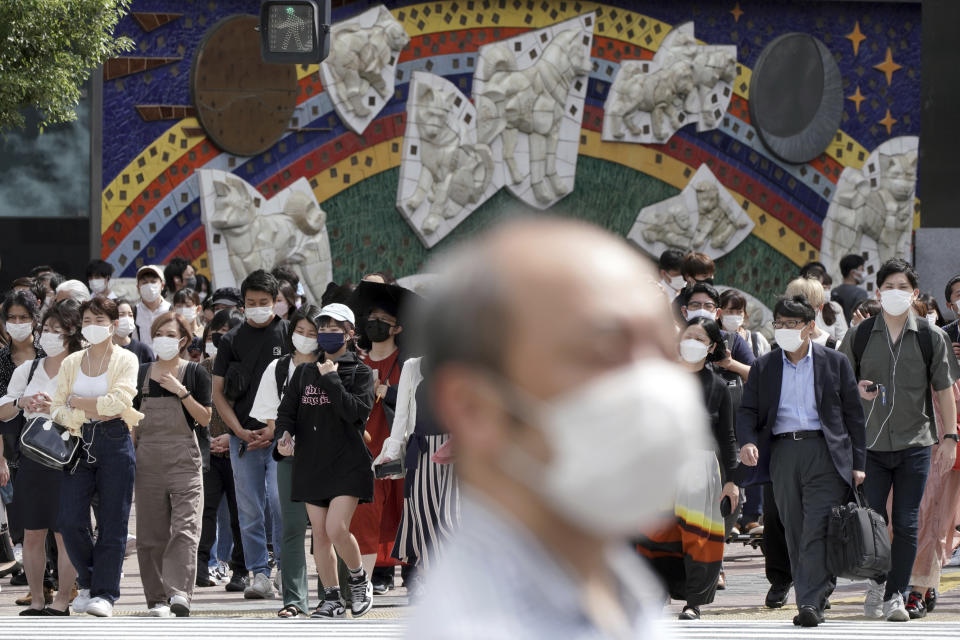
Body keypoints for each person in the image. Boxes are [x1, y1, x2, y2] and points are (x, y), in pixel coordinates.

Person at [405, 218, 711, 639]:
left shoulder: (620, 593)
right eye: (605, 350)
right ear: (474, 407)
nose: (649, 383)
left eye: (661, 349)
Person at [839, 258, 958, 622]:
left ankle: (895, 595)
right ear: (878, 292)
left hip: (916, 444)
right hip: (871, 446)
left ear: (915, 293)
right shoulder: (859, 335)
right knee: (875, 522)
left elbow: (943, 392)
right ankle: (876, 585)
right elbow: (840, 386)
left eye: (903, 287)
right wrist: (858, 389)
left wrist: (951, 437)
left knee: (907, 522)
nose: (895, 293)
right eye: (889, 286)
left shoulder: (930, 336)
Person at [738, 294, 866, 627]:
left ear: (810, 327)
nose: (782, 330)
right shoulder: (765, 366)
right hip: (782, 453)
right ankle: (817, 591)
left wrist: (859, 462)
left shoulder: (834, 362)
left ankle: (808, 601)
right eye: (778, 324)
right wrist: (748, 442)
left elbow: (853, 414)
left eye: (790, 324)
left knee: (816, 526)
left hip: (824, 452)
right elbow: (748, 411)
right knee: (793, 528)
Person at [275, 303, 376, 619]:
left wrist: (332, 381)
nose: (328, 333)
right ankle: (331, 598)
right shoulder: (304, 371)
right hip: (311, 462)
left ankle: (359, 580)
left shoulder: (360, 373)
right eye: (324, 327)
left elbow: (356, 413)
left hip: (348, 463)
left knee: (336, 527)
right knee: (319, 532)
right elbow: (287, 411)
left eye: (336, 327)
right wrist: (284, 434)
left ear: (350, 333)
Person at [637, 317, 738, 621]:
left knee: (698, 536)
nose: (691, 342)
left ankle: (694, 601)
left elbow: (727, 437)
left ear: (711, 348)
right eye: (688, 335)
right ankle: (654, 594)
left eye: (700, 339)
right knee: (655, 534)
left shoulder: (718, 386)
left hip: (701, 466)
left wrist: (732, 481)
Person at [51, 296, 143, 617]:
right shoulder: (71, 362)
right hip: (78, 442)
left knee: (112, 521)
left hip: (115, 439)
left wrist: (79, 401)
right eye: (87, 321)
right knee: (69, 519)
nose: (93, 327)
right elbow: (57, 408)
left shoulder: (127, 359)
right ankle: (89, 581)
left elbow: (118, 403)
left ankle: (105, 593)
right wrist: (85, 409)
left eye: (100, 321)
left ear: (114, 325)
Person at [0, 301, 82, 616]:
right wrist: (23, 401)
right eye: (45, 329)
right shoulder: (28, 369)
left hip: (68, 460)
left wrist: (56, 408)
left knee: (64, 533)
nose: (48, 335)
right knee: (33, 533)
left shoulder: (81, 367)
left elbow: (91, 413)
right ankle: (36, 599)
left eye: (56, 330)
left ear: (71, 333)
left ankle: (62, 600)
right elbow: (4, 410)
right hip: (33, 458)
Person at [211, 270, 287, 600]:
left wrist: (274, 428)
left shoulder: (287, 334)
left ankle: (286, 566)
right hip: (243, 438)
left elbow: (295, 386)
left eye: (264, 303)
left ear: (276, 303)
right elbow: (217, 393)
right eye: (251, 303)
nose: (258, 308)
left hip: (280, 437)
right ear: (243, 305)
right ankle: (258, 574)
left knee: (279, 501)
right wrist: (237, 430)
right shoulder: (231, 340)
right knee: (250, 509)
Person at [132, 311, 212, 617]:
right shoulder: (140, 373)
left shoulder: (195, 372)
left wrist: (182, 392)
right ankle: (156, 599)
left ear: (183, 340)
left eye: (169, 334)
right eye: (158, 333)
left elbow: (204, 418)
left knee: (186, 527)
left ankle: (179, 593)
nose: (163, 339)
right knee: (151, 534)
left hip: (184, 459)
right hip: (147, 458)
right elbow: (132, 420)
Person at [248, 303, 324, 618]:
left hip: (328, 460)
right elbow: (267, 415)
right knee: (291, 526)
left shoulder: (330, 366)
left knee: (329, 528)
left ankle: (337, 595)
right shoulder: (278, 368)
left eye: (312, 333)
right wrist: (281, 434)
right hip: (290, 457)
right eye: (300, 331)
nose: (304, 338)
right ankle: (294, 600)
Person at [374, 354, 460, 596]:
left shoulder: (468, 358)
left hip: (460, 452)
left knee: (452, 520)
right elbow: (401, 415)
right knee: (424, 519)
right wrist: (391, 453)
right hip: (421, 451)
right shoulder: (413, 366)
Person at [347, 281, 412, 592]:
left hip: (404, 450)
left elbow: (422, 401)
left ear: (397, 328)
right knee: (370, 516)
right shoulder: (355, 365)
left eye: (383, 321)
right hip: (367, 452)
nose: (375, 325)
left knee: (407, 511)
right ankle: (380, 575)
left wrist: (390, 393)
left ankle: (413, 573)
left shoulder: (411, 365)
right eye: (370, 319)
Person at [195, 309, 247, 592]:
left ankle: (241, 569)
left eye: (230, 331)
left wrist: (232, 435)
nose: (223, 338)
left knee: (242, 515)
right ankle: (201, 566)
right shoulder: (201, 368)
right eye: (218, 332)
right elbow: (192, 412)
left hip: (241, 449)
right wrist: (207, 439)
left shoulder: (249, 368)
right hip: (209, 453)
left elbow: (256, 412)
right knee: (206, 511)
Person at [680, 283, 753, 383]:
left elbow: (758, 376)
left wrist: (731, 364)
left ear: (718, 313)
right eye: (695, 305)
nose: (702, 311)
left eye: (708, 306)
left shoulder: (733, 340)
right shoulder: (671, 339)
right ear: (685, 311)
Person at [800, 264, 848, 345]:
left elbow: (843, 336)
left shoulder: (834, 307)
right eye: (824, 287)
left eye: (829, 288)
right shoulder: (798, 309)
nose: (827, 292)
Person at [784, 278, 838, 349]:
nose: (799, 312)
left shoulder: (834, 347)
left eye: (806, 307)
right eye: (793, 306)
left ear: (820, 308)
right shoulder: (777, 345)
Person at [718, 289, 770, 358]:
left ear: (745, 314)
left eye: (739, 312)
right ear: (719, 313)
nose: (735, 316)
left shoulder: (757, 340)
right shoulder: (711, 339)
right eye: (730, 312)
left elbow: (767, 367)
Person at [135, 265, 171, 351]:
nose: (149, 286)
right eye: (144, 283)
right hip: (142, 363)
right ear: (138, 288)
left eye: (153, 282)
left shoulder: (171, 310)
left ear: (162, 285)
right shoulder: (133, 312)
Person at [112, 298, 155, 364]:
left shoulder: (144, 350)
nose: (127, 319)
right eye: (121, 315)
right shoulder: (103, 349)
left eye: (130, 315)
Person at [832, 254, 869, 326]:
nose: (864, 272)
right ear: (853, 273)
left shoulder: (834, 291)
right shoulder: (860, 293)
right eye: (862, 269)